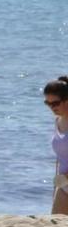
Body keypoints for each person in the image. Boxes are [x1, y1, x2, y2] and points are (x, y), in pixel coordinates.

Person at [47, 77, 68, 215]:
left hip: (65, 180)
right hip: (64, 186)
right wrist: (56, 186)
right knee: (57, 226)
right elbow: (59, 157)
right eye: (48, 103)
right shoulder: (58, 122)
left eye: (55, 103)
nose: (52, 107)